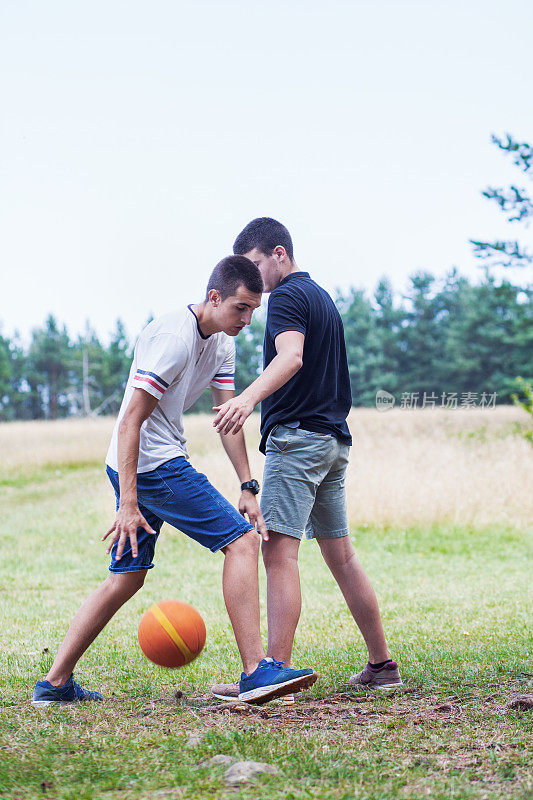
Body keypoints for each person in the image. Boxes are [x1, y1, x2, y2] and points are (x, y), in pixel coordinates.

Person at [32, 255, 317, 707]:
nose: (247, 319)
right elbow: (130, 423)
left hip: (148, 463)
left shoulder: (222, 341)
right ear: (214, 297)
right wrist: (128, 504)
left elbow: (228, 418)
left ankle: (54, 684)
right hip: (149, 465)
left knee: (127, 579)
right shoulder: (173, 338)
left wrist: (247, 484)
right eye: (240, 308)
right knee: (242, 543)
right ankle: (255, 672)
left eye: (253, 311)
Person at [210, 220, 402, 702]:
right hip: (333, 444)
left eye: (254, 265)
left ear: (279, 254)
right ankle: (381, 665)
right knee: (341, 556)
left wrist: (247, 398)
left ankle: (275, 673)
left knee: (278, 554)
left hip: (298, 442)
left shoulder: (288, 298)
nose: (251, 278)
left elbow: (290, 357)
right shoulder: (321, 296)